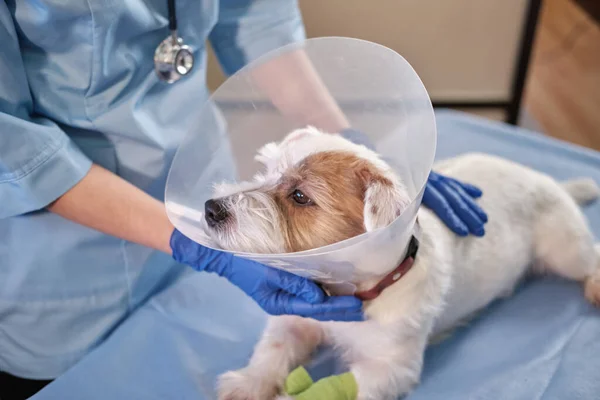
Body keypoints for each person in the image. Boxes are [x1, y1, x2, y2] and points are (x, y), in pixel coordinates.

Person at [0, 0, 488, 398]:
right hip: (58, 275)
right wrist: (199, 247)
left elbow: (253, 13)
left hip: (189, 204)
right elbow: (13, 145)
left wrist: (347, 148)